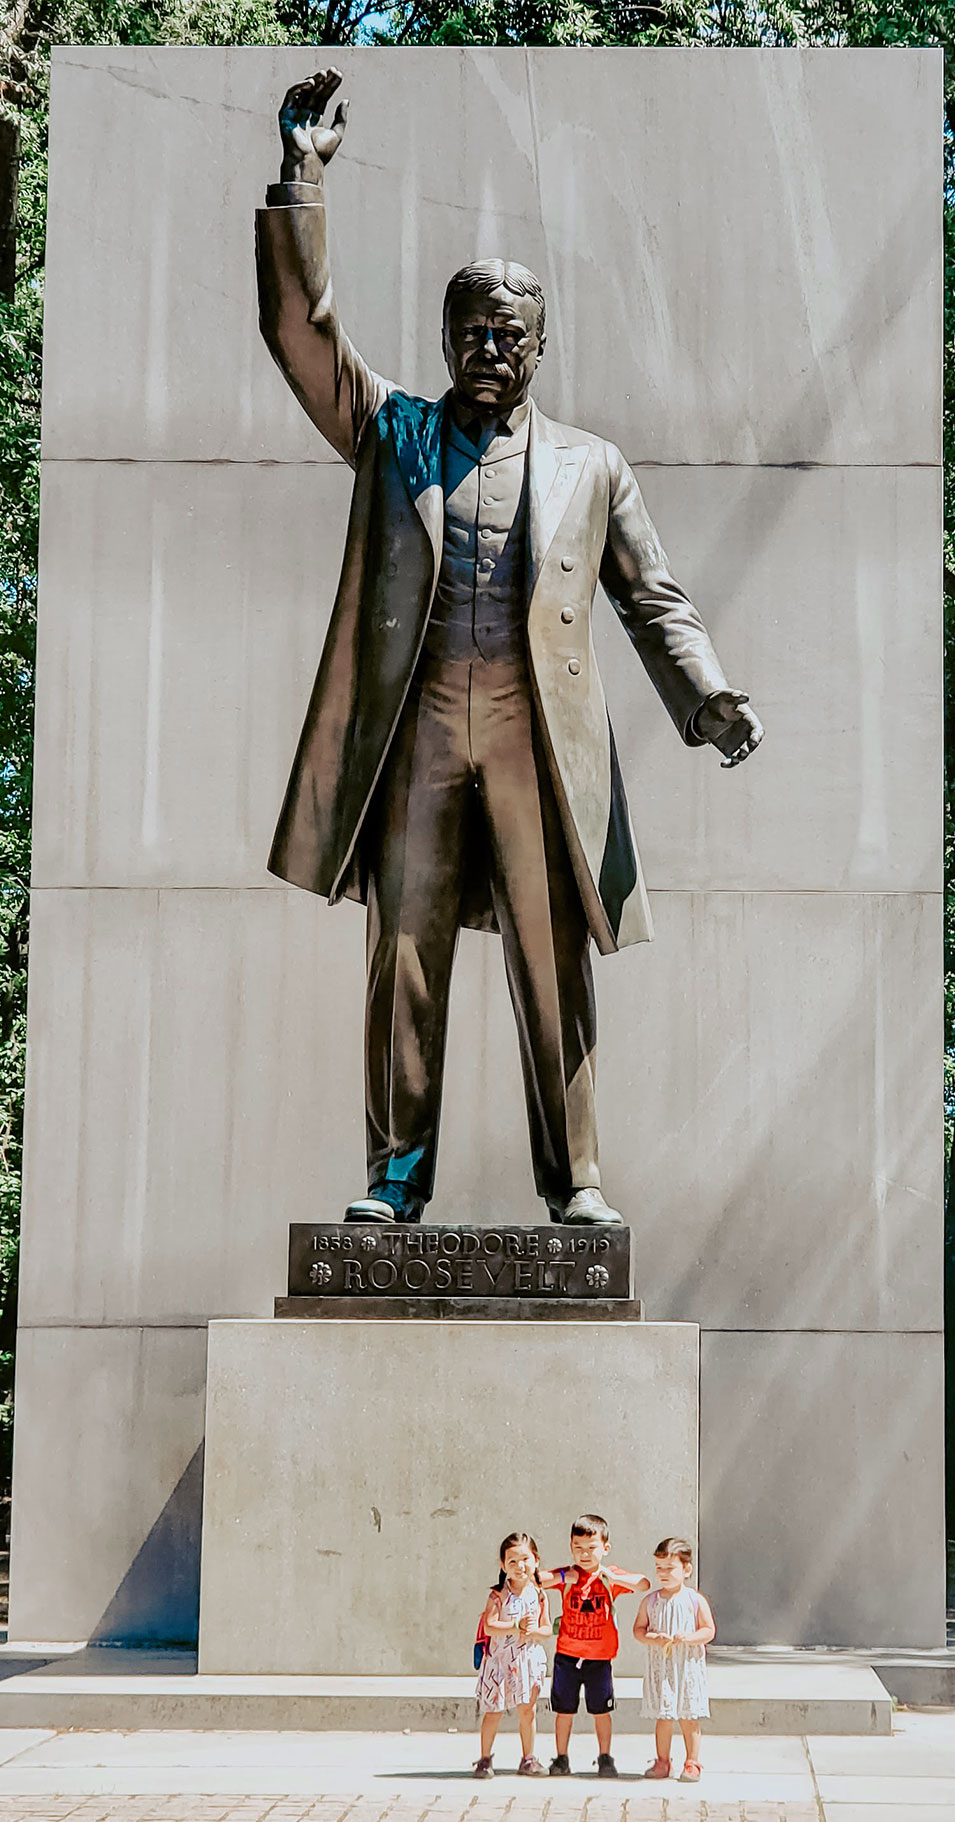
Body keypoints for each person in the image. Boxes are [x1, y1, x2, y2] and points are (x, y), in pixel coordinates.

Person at [257, 70, 763, 1230]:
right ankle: (394, 1175)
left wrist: (710, 697)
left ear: (541, 348)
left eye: (510, 333)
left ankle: (576, 1179)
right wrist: (304, 179)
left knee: (552, 967)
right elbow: (301, 331)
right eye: (472, 329)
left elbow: (654, 597)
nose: (489, 347)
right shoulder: (395, 431)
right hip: (420, 732)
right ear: (444, 336)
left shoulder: (593, 464)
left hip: (541, 747)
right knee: (406, 964)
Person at [546, 1515, 645, 1777]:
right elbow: (538, 1580)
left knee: (601, 1710)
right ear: (570, 1547)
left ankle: (605, 1756)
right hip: (566, 1656)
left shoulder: (607, 1579)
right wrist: (564, 1576)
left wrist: (611, 1575)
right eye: (578, 1548)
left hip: (600, 1659)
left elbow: (643, 1584)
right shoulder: (567, 1576)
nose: (585, 1554)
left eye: (591, 1548)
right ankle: (561, 1757)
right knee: (564, 1711)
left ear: (605, 1548)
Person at [472, 1532, 553, 1778]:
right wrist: (515, 1627)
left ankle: (528, 1758)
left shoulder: (539, 1594)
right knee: (493, 1711)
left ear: (536, 1560)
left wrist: (535, 1632)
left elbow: (547, 1628)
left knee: (527, 1711)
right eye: (513, 1561)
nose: (520, 1566)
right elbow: (489, 1626)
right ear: (503, 1565)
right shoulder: (498, 1595)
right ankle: (484, 1758)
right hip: (499, 1662)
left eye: (525, 1559)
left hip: (527, 1661)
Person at [634, 1538, 715, 1781]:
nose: (664, 1574)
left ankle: (692, 1762)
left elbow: (709, 1630)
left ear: (686, 1569)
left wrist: (690, 1638)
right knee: (664, 1716)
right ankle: (662, 1761)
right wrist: (653, 1638)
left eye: (670, 1568)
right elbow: (638, 1629)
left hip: (687, 1668)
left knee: (689, 1717)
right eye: (659, 1568)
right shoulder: (650, 1601)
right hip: (664, 1669)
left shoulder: (694, 1600)